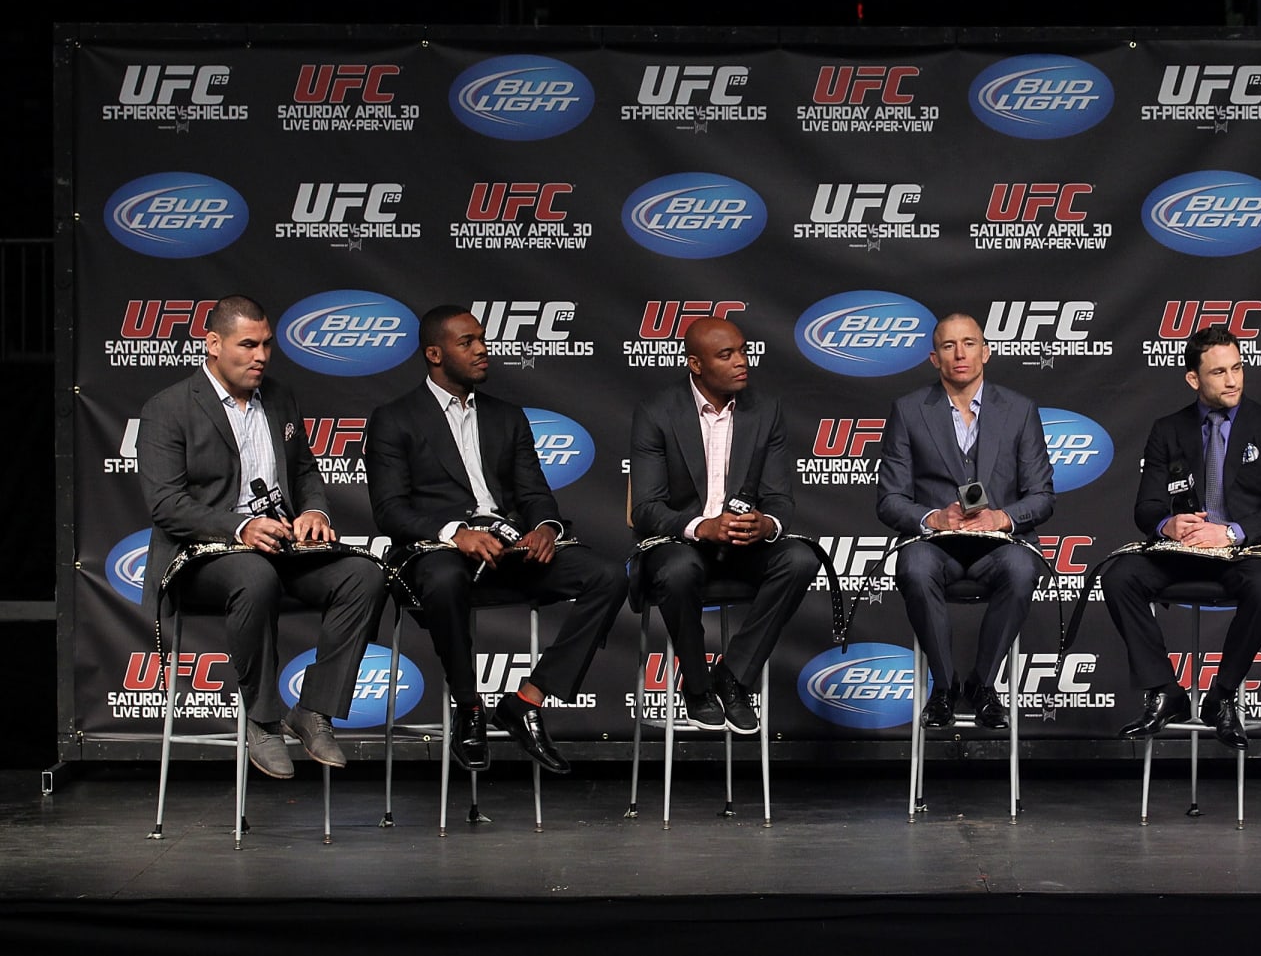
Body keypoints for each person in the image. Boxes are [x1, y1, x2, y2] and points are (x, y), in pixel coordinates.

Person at [366, 304, 628, 774]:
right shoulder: (394, 418)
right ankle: (469, 709)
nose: (482, 350)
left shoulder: (507, 417)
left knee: (606, 575)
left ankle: (526, 702)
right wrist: (455, 533)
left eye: (481, 339)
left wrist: (545, 528)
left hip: (509, 551)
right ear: (434, 353)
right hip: (440, 552)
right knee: (445, 581)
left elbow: (534, 493)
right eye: (467, 342)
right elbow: (389, 510)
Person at [137, 295, 385, 780]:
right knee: (253, 574)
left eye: (267, 344)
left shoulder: (280, 397)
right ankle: (264, 720)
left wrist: (313, 509)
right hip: (200, 558)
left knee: (363, 575)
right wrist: (240, 527)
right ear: (212, 344)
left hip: (279, 546)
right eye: (247, 345)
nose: (261, 356)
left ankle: (314, 710)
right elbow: (165, 505)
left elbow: (306, 471)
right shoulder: (166, 408)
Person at [1104, 324, 1261, 748]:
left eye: (1237, 368)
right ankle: (1166, 691)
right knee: (1120, 576)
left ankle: (1223, 696)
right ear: (1194, 379)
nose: (1232, 380)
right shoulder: (1167, 430)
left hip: (1246, 552)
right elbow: (1146, 508)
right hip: (1184, 553)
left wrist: (1228, 532)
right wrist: (1167, 526)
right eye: (1218, 373)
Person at [627, 317, 817, 734]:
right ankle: (696, 686)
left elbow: (780, 498)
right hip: (682, 541)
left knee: (800, 560)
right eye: (726, 355)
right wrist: (701, 526)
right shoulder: (657, 412)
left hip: (745, 546)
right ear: (695, 364)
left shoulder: (767, 411)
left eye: (743, 351)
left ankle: (733, 677)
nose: (741, 362)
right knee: (678, 570)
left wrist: (766, 524)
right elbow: (645, 509)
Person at [877, 312, 1055, 730]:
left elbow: (1043, 497)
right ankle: (943, 687)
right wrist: (934, 517)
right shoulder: (908, 410)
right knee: (914, 567)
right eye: (948, 346)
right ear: (934, 358)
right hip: (936, 546)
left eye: (969, 343)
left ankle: (983, 684)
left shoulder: (1019, 409)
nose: (960, 354)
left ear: (986, 351)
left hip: (999, 546)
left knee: (1021, 568)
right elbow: (889, 501)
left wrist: (1001, 517)